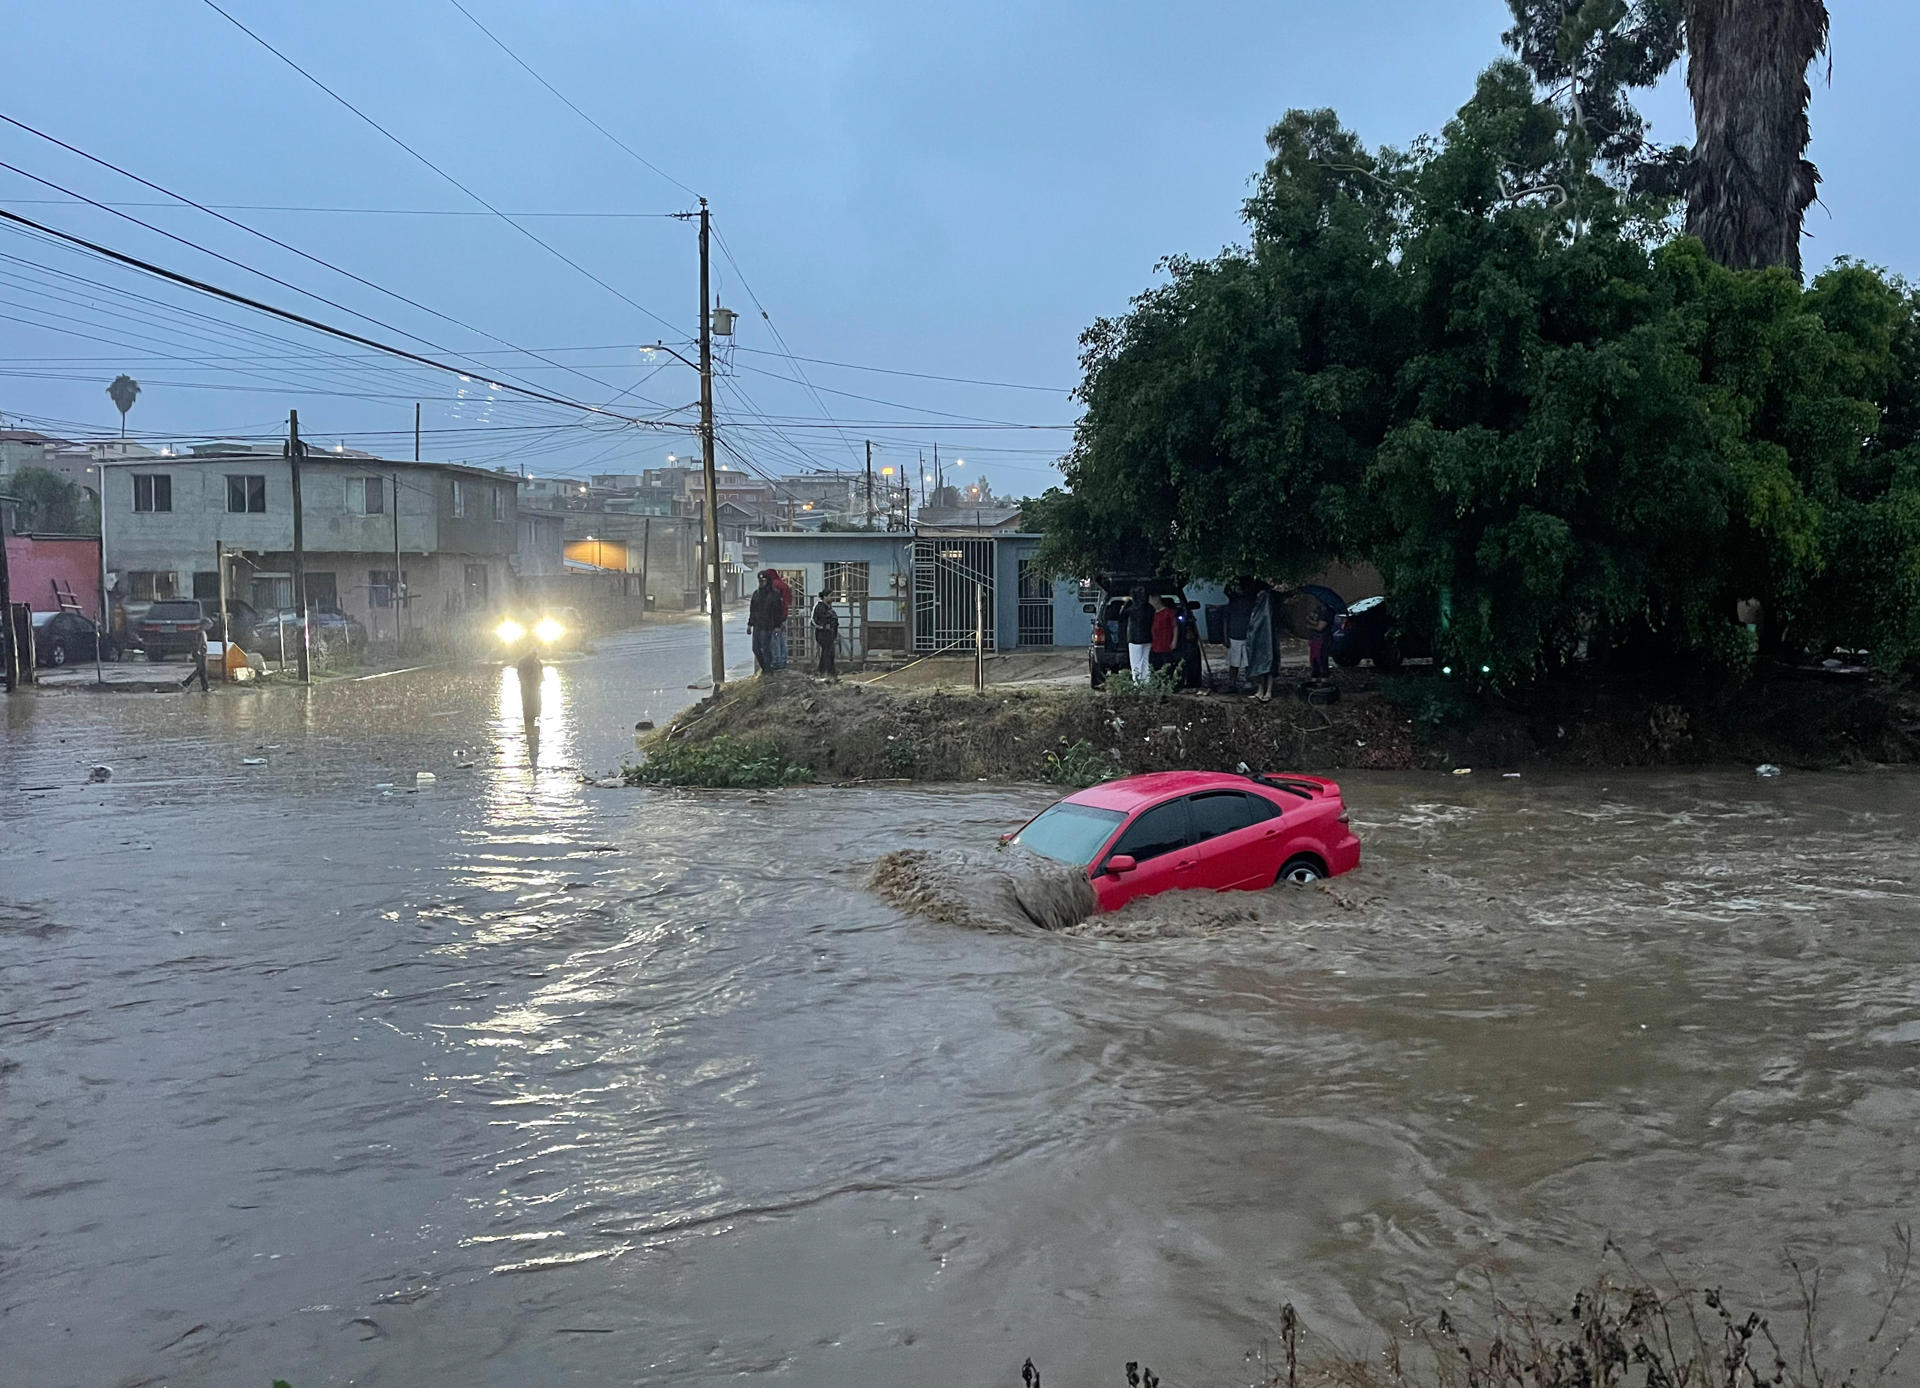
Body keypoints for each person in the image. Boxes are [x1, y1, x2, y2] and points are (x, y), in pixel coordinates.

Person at [1245, 582, 1277, 702]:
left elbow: (1265, 621)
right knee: (1259, 665)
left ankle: (1268, 691)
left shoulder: (1266, 599)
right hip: (1259, 639)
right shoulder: (1259, 602)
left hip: (1267, 639)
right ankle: (1260, 690)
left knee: (1269, 665)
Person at [748, 570, 784, 675]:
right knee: (755, 648)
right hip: (757, 625)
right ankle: (764, 668)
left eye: (763, 581)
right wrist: (749, 624)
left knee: (766, 647)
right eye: (759, 581)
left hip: (768, 625)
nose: (761, 583)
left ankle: (768, 669)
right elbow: (753, 610)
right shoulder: (756, 594)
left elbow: (778, 611)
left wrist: (778, 625)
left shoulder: (775, 594)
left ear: (768, 581)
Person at [1225, 578, 1255, 691]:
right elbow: (1225, 620)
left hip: (1247, 636)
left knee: (1248, 661)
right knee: (1233, 662)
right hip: (1234, 636)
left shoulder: (1250, 601)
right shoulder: (1233, 601)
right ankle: (1232, 683)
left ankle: (1249, 680)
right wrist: (1225, 636)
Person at [1125, 582, 1153, 684]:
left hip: (1134, 638)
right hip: (1147, 637)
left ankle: (1137, 684)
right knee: (1145, 661)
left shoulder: (1131, 608)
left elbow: (1120, 616)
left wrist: (1126, 603)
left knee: (1136, 662)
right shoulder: (1150, 608)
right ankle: (1146, 681)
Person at [767, 570, 793, 670]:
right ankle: (783, 661)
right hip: (785, 616)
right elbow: (789, 600)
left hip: (775, 618)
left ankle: (777, 662)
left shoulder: (773, 585)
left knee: (774, 641)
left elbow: (772, 604)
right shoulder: (785, 585)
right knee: (783, 640)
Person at [1148, 594, 1178, 681]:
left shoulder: (1168, 612)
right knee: (1155, 666)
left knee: (1167, 666)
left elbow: (1175, 627)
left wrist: (1174, 641)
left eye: (1150, 600)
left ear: (1156, 600)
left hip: (1165, 644)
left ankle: (1167, 682)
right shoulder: (1151, 613)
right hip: (1154, 645)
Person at [811, 590, 840, 679]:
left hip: (829, 633)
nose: (832, 598)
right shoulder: (819, 607)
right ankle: (826, 673)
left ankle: (826, 672)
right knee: (827, 653)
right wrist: (824, 627)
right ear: (824, 597)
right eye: (830, 596)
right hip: (823, 633)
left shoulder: (827, 607)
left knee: (828, 653)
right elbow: (816, 621)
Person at [1306, 599, 1332, 682]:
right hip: (1314, 639)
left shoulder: (1327, 612)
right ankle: (1315, 676)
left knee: (1321, 658)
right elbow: (1315, 621)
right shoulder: (1318, 610)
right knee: (1314, 659)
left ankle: (1324, 677)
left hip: (1323, 639)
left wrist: (1310, 624)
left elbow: (1320, 627)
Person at [180, 625, 209, 692]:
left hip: (200, 652)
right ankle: (187, 682)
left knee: (202, 670)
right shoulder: (200, 632)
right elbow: (200, 643)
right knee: (201, 669)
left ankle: (205, 687)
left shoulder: (200, 631)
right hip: (200, 652)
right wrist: (198, 650)